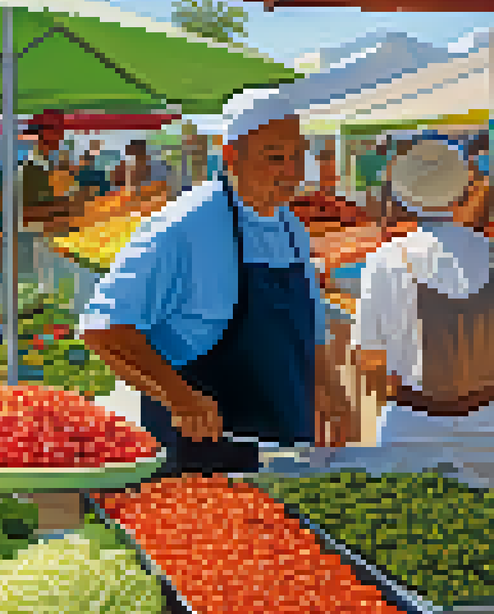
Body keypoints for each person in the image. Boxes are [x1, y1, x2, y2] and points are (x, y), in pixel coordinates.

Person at [79, 100, 356, 478]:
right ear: (231, 156)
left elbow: (309, 322)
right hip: (201, 462)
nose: (292, 172)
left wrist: (328, 388)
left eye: (298, 156)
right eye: (275, 158)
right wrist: (179, 398)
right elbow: (103, 328)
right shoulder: (184, 226)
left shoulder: (291, 226)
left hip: (286, 453)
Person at [353, 139, 494, 450]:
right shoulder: (490, 252)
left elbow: (370, 359)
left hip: (412, 422)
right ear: (463, 189)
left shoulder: (387, 258)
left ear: (404, 195)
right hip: (487, 422)